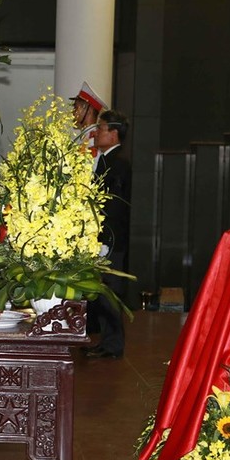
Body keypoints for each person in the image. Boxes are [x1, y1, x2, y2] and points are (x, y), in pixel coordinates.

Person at [84, 110, 132, 359]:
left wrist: (102, 238)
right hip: (100, 238)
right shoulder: (105, 161)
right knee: (101, 292)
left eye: (101, 128)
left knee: (110, 292)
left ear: (113, 134)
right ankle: (105, 340)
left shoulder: (119, 164)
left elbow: (113, 206)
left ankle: (113, 344)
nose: (96, 132)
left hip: (110, 239)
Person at [70, 81, 108, 158]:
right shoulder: (85, 137)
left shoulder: (94, 139)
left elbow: (92, 168)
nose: (73, 112)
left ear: (89, 110)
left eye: (76, 107)